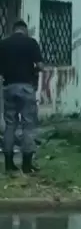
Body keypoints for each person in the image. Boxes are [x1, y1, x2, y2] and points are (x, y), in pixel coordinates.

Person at [0, 19, 44, 173]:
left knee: (10, 125)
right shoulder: (31, 43)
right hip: (26, 87)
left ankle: (9, 164)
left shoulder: (3, 44)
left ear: (14, 29)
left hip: (8, 87)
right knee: (28, 124)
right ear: (24, 30)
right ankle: (26, 164)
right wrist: (34, 73)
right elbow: (39, 66)